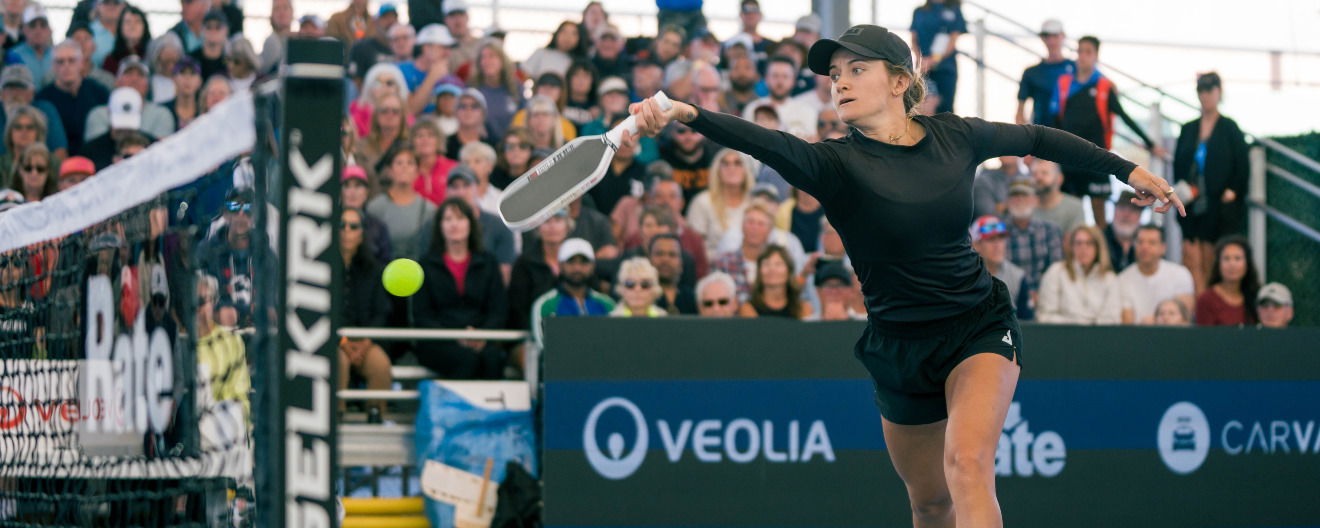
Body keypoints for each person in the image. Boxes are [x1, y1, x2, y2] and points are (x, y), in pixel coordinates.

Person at [625, 23, 1184, 527]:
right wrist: (684, 112)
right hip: (899, 346)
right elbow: (765, 142)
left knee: (967, 466)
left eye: (856, 70)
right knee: (930, 504)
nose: (839, 82)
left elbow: (1038, 138)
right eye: (835, 74)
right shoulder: (833, 164)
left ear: (899, 82)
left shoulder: (956, 136)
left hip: (977, 326)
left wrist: (1127, 169)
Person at [1054, 35, 1166, 228]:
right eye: (1080, 51)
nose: (1083, 56)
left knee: (1100, 216)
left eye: (1088, 52)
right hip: (1069, 160)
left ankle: (1104, 256)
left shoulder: (1104, 86)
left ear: (1096, 55)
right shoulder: (1064, 84)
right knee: (1071, 216)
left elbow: (1125, 116)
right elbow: (1054, 120)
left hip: (1096, 159)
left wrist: (1150, 144)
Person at [414, 197, 509, 378]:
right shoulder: (426, 264)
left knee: (492, 358)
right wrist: (455, 337)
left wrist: (481, 335)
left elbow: (498, 309)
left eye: (460, 218)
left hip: (481, 338)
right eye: (448, 219)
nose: (454, 225)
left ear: (470, 224)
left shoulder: (488, 262)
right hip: (439, 342)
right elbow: (422, 315)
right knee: (465, 360)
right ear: (440, 226)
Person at [1173, 72, 1249, 294]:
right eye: (1201, 91)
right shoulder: (1189, 128)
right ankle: (1198, 306)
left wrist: (1233, 191)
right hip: (1190, 200)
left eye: (1209, 90)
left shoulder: (1229, 128)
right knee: (1191, 256)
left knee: (1212, 257)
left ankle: (1210, 307)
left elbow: (1242, 164)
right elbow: (1179, 164)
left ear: (1219, 92)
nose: (1205, 96)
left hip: (1218, 203)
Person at [337, 207, 393, 419]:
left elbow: (382, 311)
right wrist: (342, 342)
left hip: (366, 340)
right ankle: (336, 415)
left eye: (354, 226)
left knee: (380, 365)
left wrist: (366, 342)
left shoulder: (375, 270)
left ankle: (375, 415)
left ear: (362, 234)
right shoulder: (322, 268)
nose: (347, 231)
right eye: (342, 225)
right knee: (338, 362)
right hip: (334, 341)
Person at [529, 237, 614, 347]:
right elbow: (542, 346)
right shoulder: (545, 305)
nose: (577, 268)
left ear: (593, 266)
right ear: (560, 265)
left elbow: (614, 342)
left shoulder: (607, 304)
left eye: (584, 262)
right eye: (571, 262)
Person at [194, 188, 259, 328]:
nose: (241, 214)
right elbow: (196, 300)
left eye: (248, 208)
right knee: (227, 315)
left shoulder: (266, 254)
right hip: (219, 333)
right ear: (225, 213)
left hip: (259, 334)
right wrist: (219, 312)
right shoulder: (206, 252)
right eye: (234, 207)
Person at [442, 164, 517, 282]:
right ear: (446, 191)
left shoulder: (499, 226)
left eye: (466, 185)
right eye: (455, 186)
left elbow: (504, 276)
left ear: (477, 188)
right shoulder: (434, 226)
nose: (461, 192)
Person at [1036, 225, 1120, 325]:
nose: (1083, 248)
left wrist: (1089, 327)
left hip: (1099, 337)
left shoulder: (1110, 279)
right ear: (1071, 247)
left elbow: (1113, 319)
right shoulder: (1056, 272)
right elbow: (1044, 316)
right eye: (1078, 243)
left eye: (1089, 243)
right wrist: (1077, 324)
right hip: (1061, 335)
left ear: (1097, 247)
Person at [36, 40, 109, 155]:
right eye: (60, 62)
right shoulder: (43, 99)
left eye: (71, 60)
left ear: (81, 64)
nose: (66, 66)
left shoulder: (99, 92)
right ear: (53, 66)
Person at [366, 146, 436, 260]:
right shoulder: (375, 207)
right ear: (390, 171)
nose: (404, 167)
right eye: (399, 163)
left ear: (417, 171)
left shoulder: (430, 210)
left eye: (410, 163)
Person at [508, 210, 572, 332]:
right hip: (533, 333)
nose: (552, 227)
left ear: (567, 225)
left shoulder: (580, 261)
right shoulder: (524, 263)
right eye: (546, 221)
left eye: (558, 220)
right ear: (537, 227)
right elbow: (517, 309)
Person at [1117, 225, 1195, 325]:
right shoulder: (1123, 279)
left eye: (1152, 243)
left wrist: (1154, 321)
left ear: (1163, 248)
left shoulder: (1180, 274)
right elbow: (1127, 322)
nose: (1145, 247)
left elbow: (1184, 316)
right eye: (1140, 242)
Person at [686, 148, 752, 257]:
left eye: (737, 163)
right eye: (725, 164)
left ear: (746, 170)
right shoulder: (702, 202)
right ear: (717, 170)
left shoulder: (754, 204)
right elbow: (694, 246)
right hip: (711, 267)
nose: (731, 168)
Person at [1004, 180, 1062, 298]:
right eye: (1014, 196)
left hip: (1045, 296)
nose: (1019, 200)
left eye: (1025, 195)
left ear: (1036, 201)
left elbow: (1056, 270)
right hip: (1006, 299)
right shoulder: (997, 232)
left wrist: (1040, 293)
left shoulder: (1051, 230)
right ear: (1007, 202)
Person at [969, 216, 1032, 321]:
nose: (997, 245)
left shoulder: (1017, 276)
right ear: (976, 245)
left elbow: (1027, 321)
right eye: (991, 239)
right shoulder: (966, 276)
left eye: (1001, 238)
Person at [909, 0, 965, 114]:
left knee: (945, 110)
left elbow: (952, 40)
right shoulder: (919, 11)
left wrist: (932, 61)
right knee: (921, 105)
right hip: (923, 68)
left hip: (945, 67)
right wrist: (921, 61)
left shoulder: (954, 9)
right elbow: (914, 40)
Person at [1015, 19, 1074, 127]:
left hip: (1073, 135)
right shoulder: (1031, 73)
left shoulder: (1076, 68)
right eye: (1047, 36)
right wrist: (1025, 138)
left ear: (1063, 36)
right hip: (1042, 135)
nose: (1051, 41)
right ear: (1042, 38)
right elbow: (1020, 110)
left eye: (1055, 36)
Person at [1195, 235, 1259, 327]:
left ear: (1247, 263)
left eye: (1237, 258)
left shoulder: (1255, 297)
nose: (1232, 264)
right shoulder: (1206, 300)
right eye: (1226, 258)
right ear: (1218, 264)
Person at [741, 57, 814, 135]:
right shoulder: (752, 108)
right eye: (775, 76)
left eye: (785, 76)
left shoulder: (807, 110)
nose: (780, 81)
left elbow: (812, 141)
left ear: (793, 81)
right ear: (766, 79)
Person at [400, 24, 461, 115]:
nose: (448, 52)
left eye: (449, 48)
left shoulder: (448, 76)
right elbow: (410, 112)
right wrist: (432, 77)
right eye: (443, 47)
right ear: (427, 47)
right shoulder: (401, 71)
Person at [738, 244, 810, 319]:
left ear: (789, 270)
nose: (772, 269)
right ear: (759, 271)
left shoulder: (803, 308)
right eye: (766, 264)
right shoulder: (748, 309)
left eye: (778, 264)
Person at [466, 43, 520, 141]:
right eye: (483, 57)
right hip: (481, 143)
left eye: (492, 56)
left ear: (503, 61)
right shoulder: (472, 88)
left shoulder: (516, 87)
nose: (487, 61)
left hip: (511, 144)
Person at [356, 92, 408, 187]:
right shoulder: (360, 146)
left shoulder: (410, 146)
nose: (390, 114)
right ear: (376, 115)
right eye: (384, 111)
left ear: (402, 116)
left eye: (395, 111)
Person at [341, 165, 391, 263]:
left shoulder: (379, 227)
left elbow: (385, 262)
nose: (352, 192)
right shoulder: (329, 223)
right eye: (346, 185)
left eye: (358, 185)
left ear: (367, 191)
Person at [410, 116, 458, 205]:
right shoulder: (407, 169)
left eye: (430, 135)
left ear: (439, 140)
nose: (425, 139)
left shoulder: (453, 168)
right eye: (419, 135)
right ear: (412, 141)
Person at [1028, 158, 1083, 235]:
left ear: (1059, 179)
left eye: (1044, 173)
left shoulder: (1074, 207)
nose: (1038, 178)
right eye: (1034, 174)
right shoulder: (1026, 208)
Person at [647, 233, 697, 315]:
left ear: (681, 263)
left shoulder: (692, 298)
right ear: (649, 260)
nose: (665, 259)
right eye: (659, 254)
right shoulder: (638, 296)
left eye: (672, 254)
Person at [0, 105, 47, 186]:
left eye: (30, 127)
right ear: (10, 132)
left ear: (38, 132)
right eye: (18, 127)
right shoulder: (1, 165)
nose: (24, 132)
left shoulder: (52, 163)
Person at [522, 21, 587, 79]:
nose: (568, 37)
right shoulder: (541, 53)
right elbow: (522, 75)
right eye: (564, 32)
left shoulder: (579, 63)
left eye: (573, 34)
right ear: (556, 34)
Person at [447, 88, 495, 160]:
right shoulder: (445, 145)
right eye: (463, 106)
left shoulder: (492, 146)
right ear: (455, 113)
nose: (468, 110)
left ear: (483, 114)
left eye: (474, 106)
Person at [101, 5, 150, 77]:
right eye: (128, 22)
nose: (132, 26)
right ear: (120, 27)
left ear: (145, 26)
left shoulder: (153, 56)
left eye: (137, 21)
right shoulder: (111, 60)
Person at [13, 5, 54, 88]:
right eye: (33, 25)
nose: (38, 30)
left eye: (43, 25)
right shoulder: (14, 55)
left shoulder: (57, 54)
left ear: (49, 30)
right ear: (24, 30)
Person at [971, 155, 1022, 220]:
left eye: (1013, 148)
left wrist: (1001, 207)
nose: (1008, 153)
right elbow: (986, 213)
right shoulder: (984, 181)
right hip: (995, 227)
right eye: (1004, 149)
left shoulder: (1030, 179)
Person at [1103, 190, 1142, 272]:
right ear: (1114, 210)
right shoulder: (1099, 239)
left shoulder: (1146, 242)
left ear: (1140, 215)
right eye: (1122, 208)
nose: (1126, 215)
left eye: (1133, 210)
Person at [188, 10, 229, 81]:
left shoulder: (231, 62)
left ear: (226, 31)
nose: (213, 31)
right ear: (201, 29)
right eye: (208, 27)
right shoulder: (190, 60)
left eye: (218, 27)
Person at [164, 56, 201, 129]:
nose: (187, 78)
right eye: (182, 73)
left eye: (192, 73)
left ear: (199, 81)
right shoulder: (163, 110)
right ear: (174, 79)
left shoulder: (204, 112)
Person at [146, 33, 184, 103]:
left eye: (174, 62)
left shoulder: (185, 82)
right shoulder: (148, 84)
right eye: (166, 62)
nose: (171, 67)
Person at [259, 0, 293, 75]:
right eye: (277, 9)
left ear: (292, 12)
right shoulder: (271, 42)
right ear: (271, 15)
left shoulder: (298, 41)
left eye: (285, 8)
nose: (281, 12)